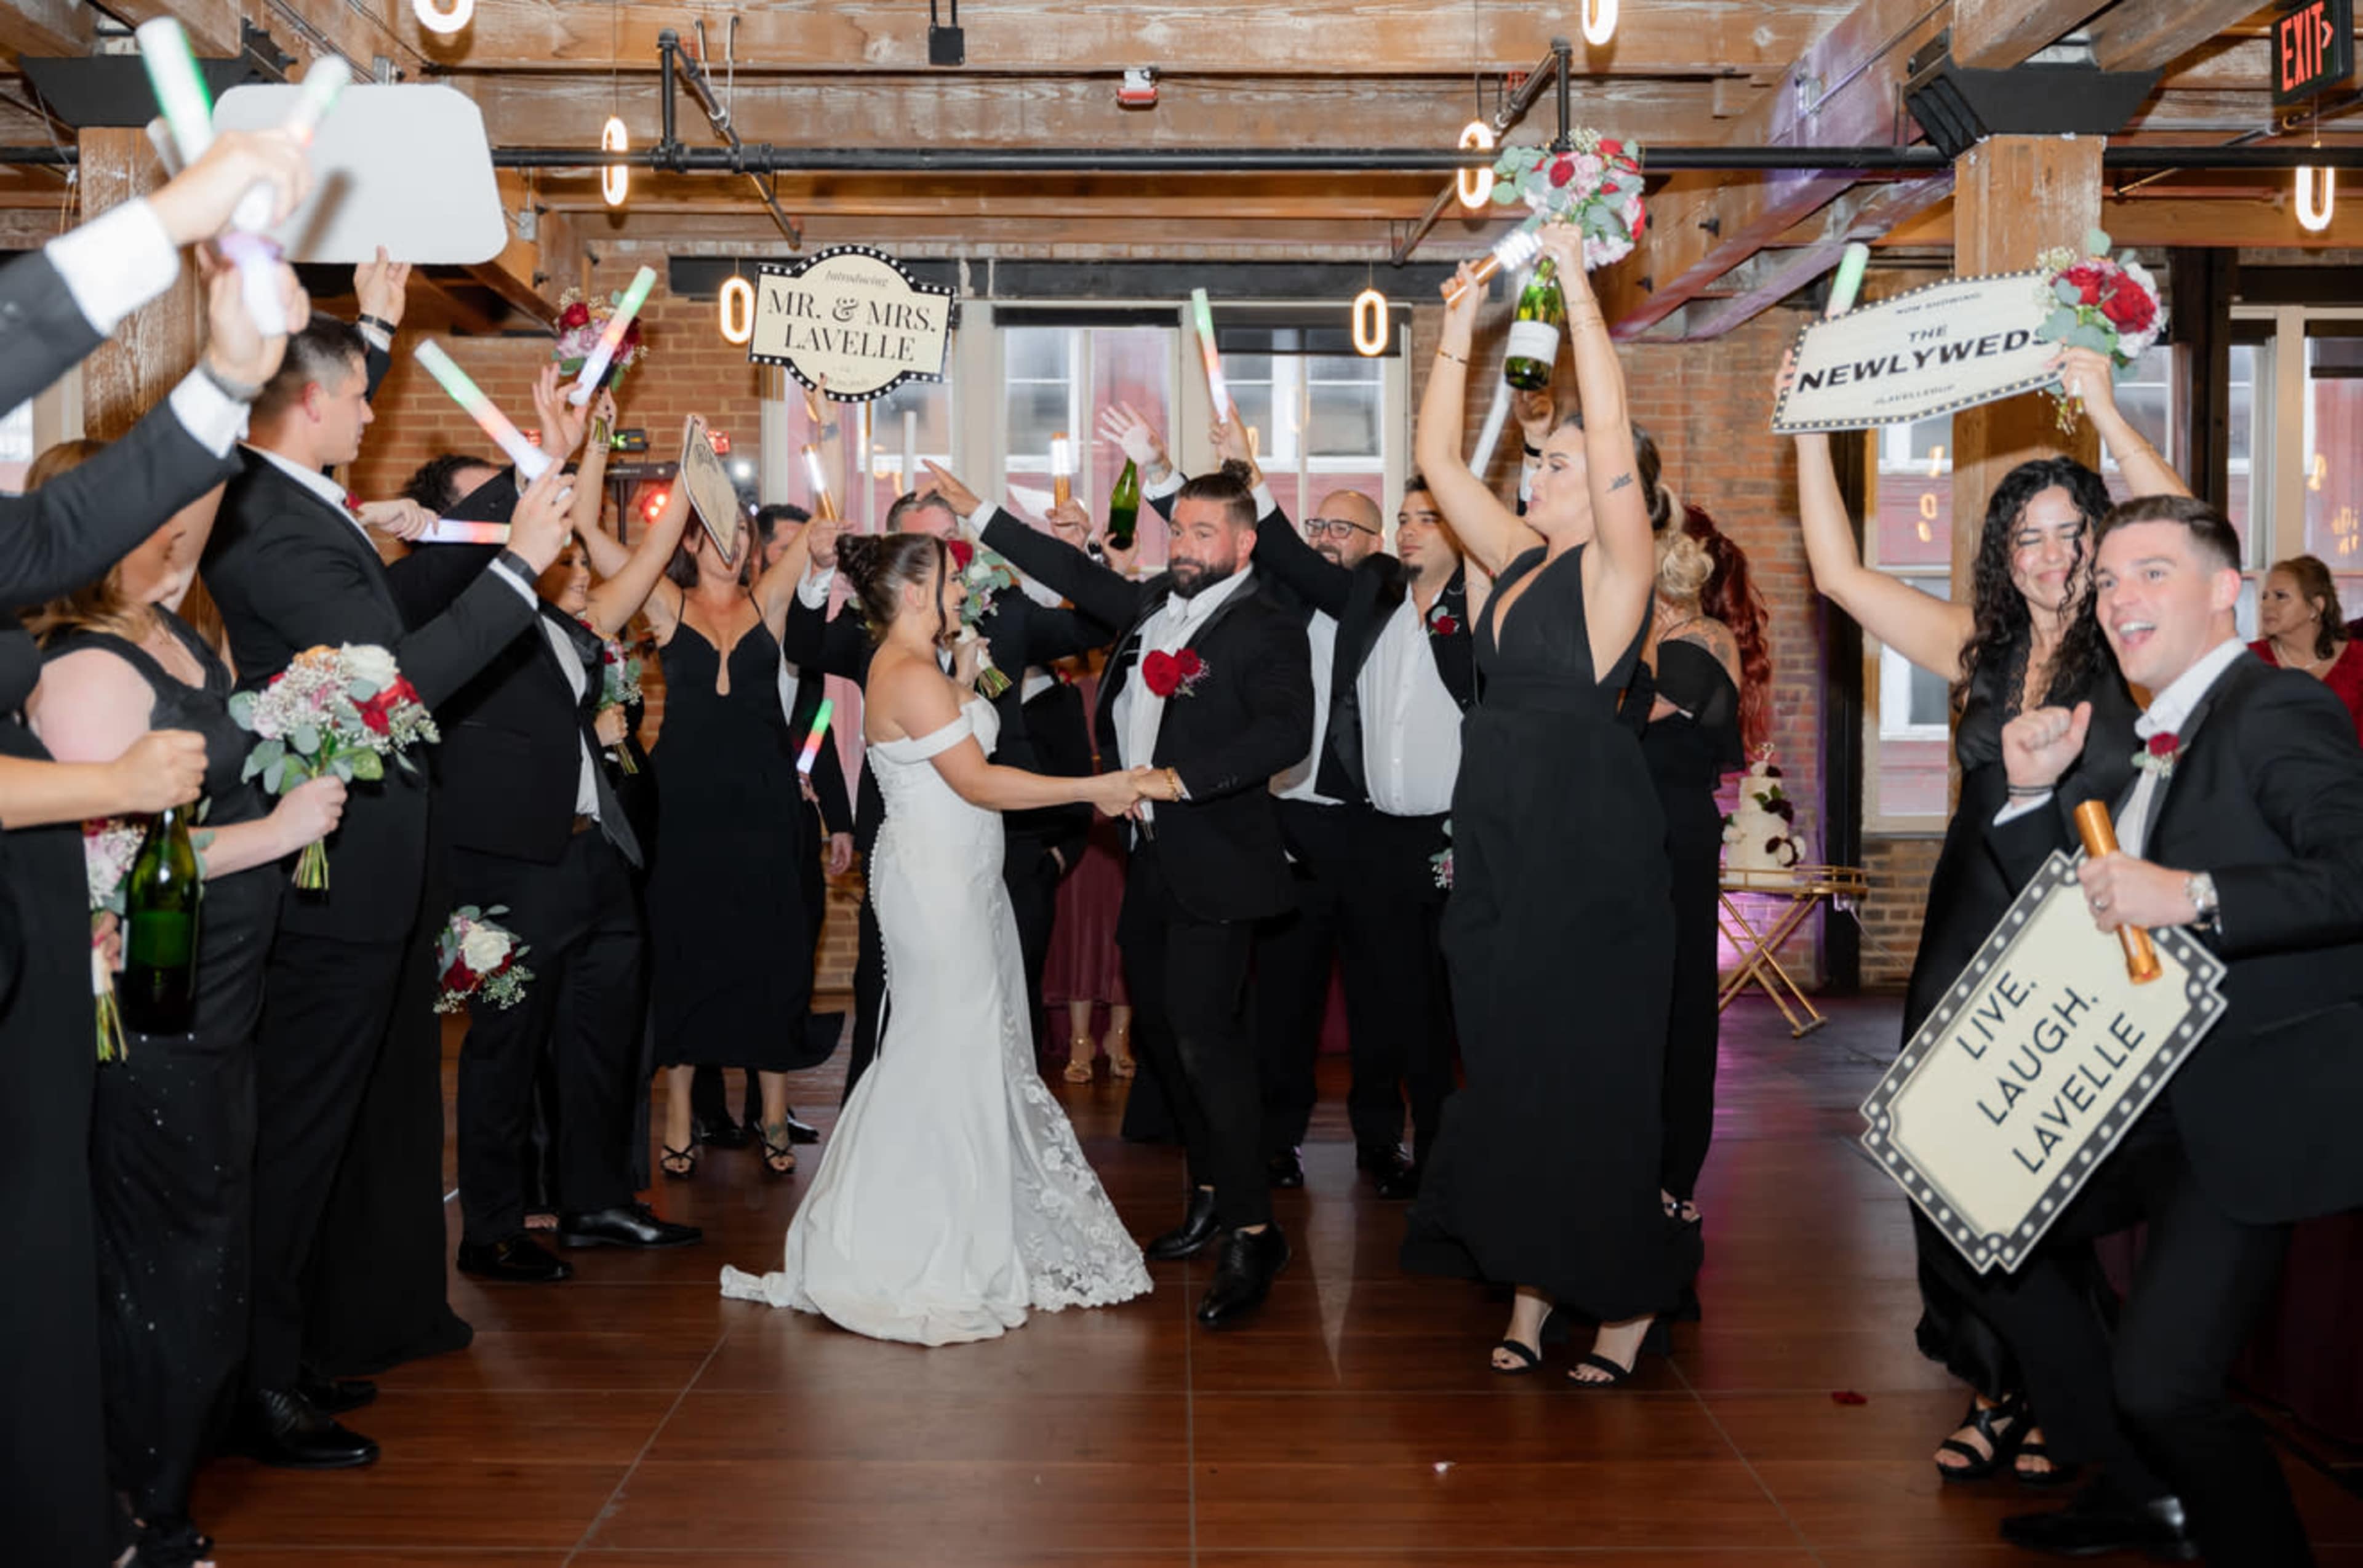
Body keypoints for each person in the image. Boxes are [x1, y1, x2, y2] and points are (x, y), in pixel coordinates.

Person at [1787, 344, 2177, 1481]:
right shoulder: (1979, 650)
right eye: (2032, 536)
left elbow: (2175, 520)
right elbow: (1837, 570)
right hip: (1968, 924)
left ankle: (2070, 1392)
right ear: (2007, 555)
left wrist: (2102, 401)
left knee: (2047, 1175)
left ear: (2104, 539)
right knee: (1945, 1165)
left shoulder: (2139, 652)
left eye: (2074, 531)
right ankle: (2000, 1385)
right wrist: (1814, 426)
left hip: (2076, 931)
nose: (2055, 555)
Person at [201, 314, 582, 1468]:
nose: (373, 413)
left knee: (334, 1131)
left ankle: (296, 1344)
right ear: (311, 403)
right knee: (298, 1132)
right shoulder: (271, 524)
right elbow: (396, 680)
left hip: (364, 864)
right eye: (361, 392)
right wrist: (521, 566)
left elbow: (396, 607)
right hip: (325, 867)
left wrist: (538, 477)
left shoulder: (299, 504)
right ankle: (258, 1382)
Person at [0, 148, 307, 1559]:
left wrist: (228, 379)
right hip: (63, 948)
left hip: (35, 967)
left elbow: (69, 525)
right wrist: (179, 217)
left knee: (47, 1269)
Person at [1983, 493, 2363, 1564]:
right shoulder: (2155, 732)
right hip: (2145, 1092)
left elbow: (2350, 871)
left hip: (2248, 1103)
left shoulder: (2273, 709)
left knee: (2167, 1380)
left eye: (2151, 571)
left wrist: (2191, 892)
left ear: (2224, 591)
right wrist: (2025, 800)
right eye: (2106, 578)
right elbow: (2092, 913)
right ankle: (2138, 1480)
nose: (2117, 595)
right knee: (1983, 1225)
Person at [26, 441, 344, 1568]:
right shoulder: (85, 667)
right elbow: (105, 859)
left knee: (208, 1244)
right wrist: (277, 831)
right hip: (153, 996)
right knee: (168, 1259)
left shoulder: (178, 631)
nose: (183, 521)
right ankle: (136, 1510)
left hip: (223, 984)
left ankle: (155, 1483)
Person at [719, 530, 1155, 1343]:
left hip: (957, 875)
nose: (964, 590)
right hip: (936, 885)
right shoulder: (909, 673)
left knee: (958, 1044)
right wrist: (1101, 785)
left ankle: (960, 1219)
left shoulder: (922, 666)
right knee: (944, 1047)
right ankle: (926, 1242)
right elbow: (978, 779)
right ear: (915, 591)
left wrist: (965, 679)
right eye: (954, 580)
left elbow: (951, 749)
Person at [1400, 225, 1701, 1386]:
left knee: (1597, 1079)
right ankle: (1531, 1287)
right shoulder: (1514, 556)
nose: (1543, 472)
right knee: (1512, 1074)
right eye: (1545, 461)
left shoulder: (1617, 569)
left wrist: (1578, 284)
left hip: (1592, 848)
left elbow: (1612, 424)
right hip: (1501, 835)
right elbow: (1436, 455)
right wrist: (1456, 330)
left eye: (1562, 462)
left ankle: (1626, 1301)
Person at [946, 458, 1316, 1327]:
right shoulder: (1154, 605)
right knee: (1163, 1030)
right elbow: (1076, 574)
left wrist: (1175, 781)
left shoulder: (1267, 624)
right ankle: (1214, 1191)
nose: (1183, 546)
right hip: (1150, 861)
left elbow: (1285, 731)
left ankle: (1255, 1231)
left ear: (1243, 541)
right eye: (1177, 531)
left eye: (1201, 534)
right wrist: (982, 513)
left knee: (1205, 1044)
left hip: (1218, 865)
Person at [425, 382, 703, 1284]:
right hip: (510, 865)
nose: (513, 506)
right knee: (505, 1050)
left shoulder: (551, 618)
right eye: (489, 498)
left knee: (604, 1037)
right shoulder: (440, 626)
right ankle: (493, 1228)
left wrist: (690, 483)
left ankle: (597, 1203)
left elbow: (644, 569)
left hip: (595, 854)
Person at [784, 487, 1114, 1104]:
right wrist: (816, 573)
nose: (956, 559)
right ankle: (880, 1130)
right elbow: (802, 650)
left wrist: (1081, 556)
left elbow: (1094, 622)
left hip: (1009, 844)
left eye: (956, 541)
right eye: (937, 547)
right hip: (915, 853)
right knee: (887, 998)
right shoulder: (870, 629)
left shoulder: (1001, 610)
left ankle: (992, 1134)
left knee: (1003, 1010)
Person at [1223, 450, 1475, 1199]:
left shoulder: (1404, 606)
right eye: (1318, 525)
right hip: (1297, 825)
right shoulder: (1293, 598)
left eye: (1345, 525)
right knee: (1288, 995)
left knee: (1388, 995)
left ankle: (1385, 1138)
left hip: (1379, 830)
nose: (1326, 537)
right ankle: (1277, 1140)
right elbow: (1283, 557)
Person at [638, 469, 823, 1180]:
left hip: (764, 804)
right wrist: (684, 486)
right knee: (684, 951)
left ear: (751, 546)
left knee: (770, 954)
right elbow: (598, 546)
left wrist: (832, 419)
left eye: (739, 529)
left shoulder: (767, 598)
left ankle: (773, 1112)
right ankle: (680, 1114)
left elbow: (814, 527)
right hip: (684, 807)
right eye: (713, 527)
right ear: (688, 539)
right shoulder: (662, 600)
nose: (729, 539)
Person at [684, 501, 852, 1151]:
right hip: (722, 824)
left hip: (789, 823)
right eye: (787, 548)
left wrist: (837, 820)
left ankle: (766, 1106)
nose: (798, 559)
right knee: (713, 957)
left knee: (786, 959)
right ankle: (705, 1108)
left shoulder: (804, 636)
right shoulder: (725, 624)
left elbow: (817, 726)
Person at [1638, 526, 1750, 1227]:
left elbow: (1616, 716)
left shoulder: (1700, 642)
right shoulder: (1648, 642)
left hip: (1672, 836)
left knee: (1677, 1001)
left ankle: (1673, 1173)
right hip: (1626, 834)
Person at [2251, 553, 2363, 743]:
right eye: (2265, 597)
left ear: (2316, 606)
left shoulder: (2358, 659)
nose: (2267, 605)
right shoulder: (2249, 662)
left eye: (2280, 596)